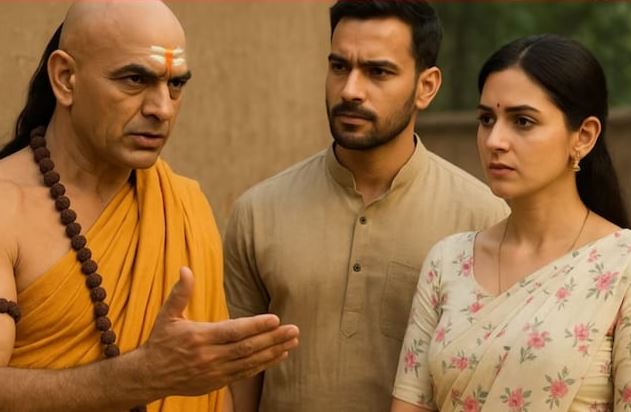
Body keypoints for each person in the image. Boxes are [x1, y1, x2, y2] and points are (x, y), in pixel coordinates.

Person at [0, 2, 300, 411]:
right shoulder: (8, 207)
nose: (162, 108)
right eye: (135, 79)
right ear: (66, 78)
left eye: (175, 84)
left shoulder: (184, 206)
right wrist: (140, 377)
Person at [223, 1, 508, 411]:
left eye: (378, 72)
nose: (350, 90)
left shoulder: (484, 220)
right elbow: (238, 381)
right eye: (340, 67)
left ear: (426, 86)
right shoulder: (257, 214)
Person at [391, 34, 631, 412]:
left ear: (583, 136)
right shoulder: (448, 262)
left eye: (522, 121)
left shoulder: (623, 265)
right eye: (486, 119)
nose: (495, 141)